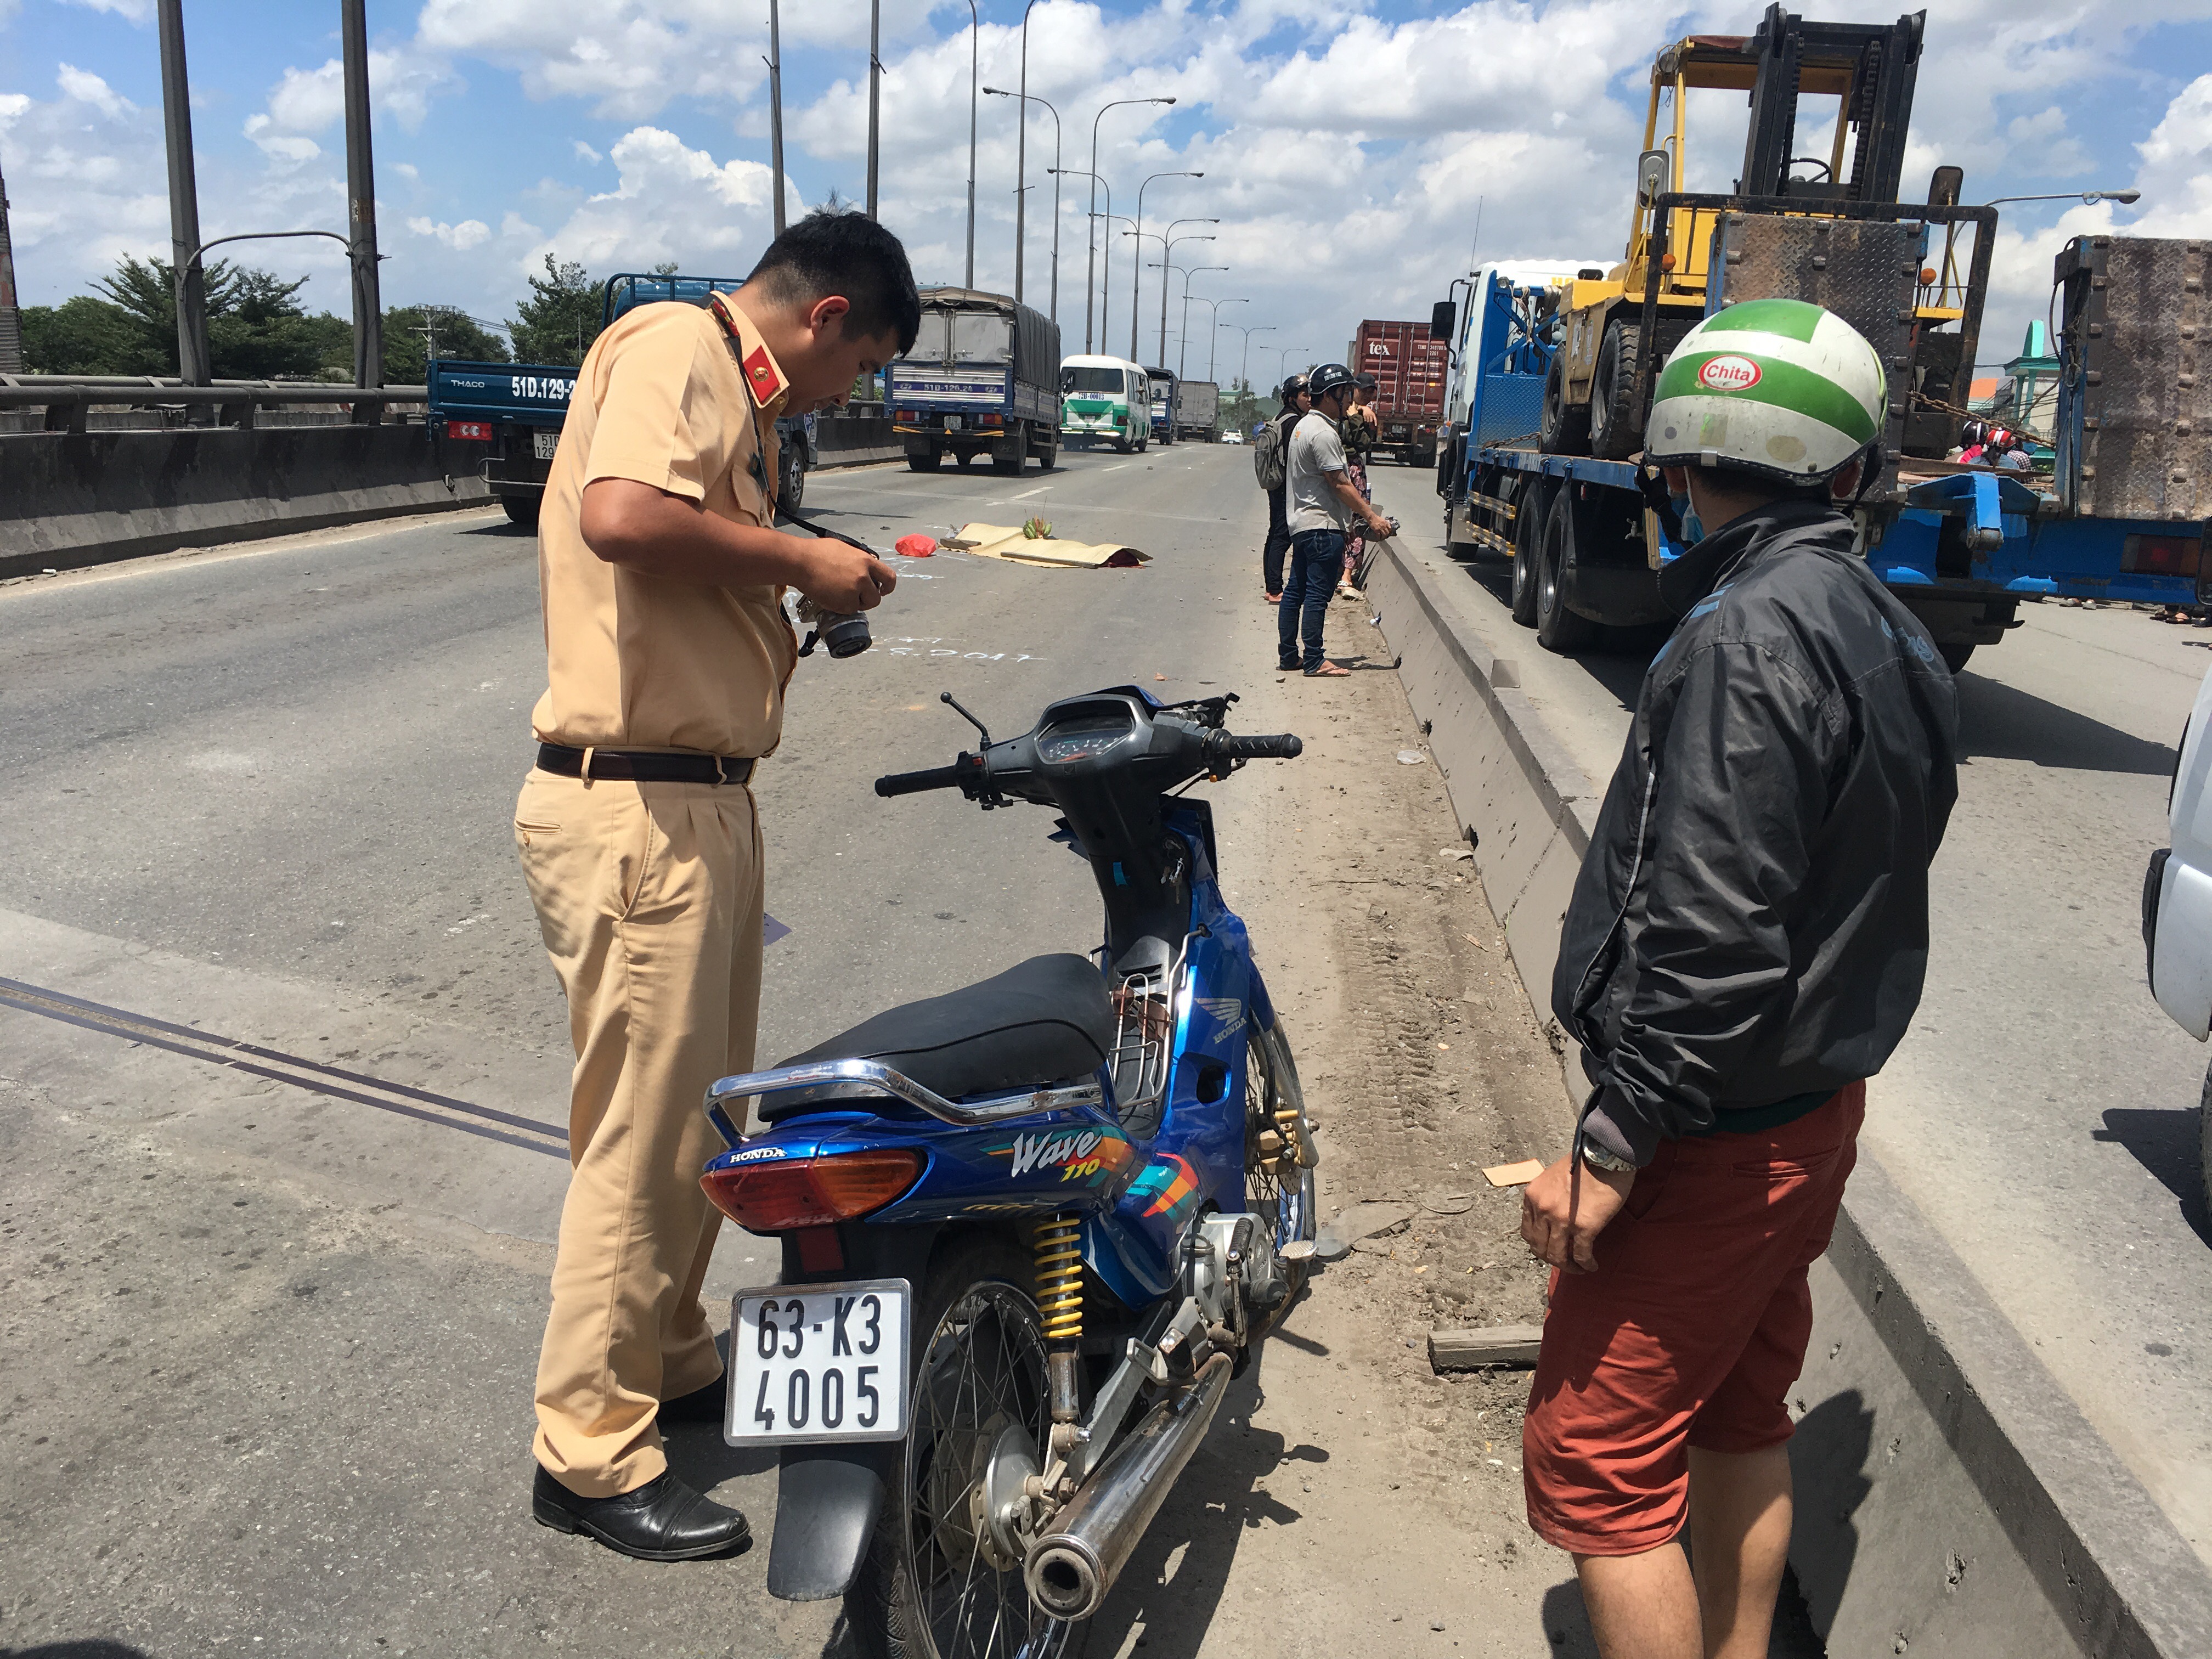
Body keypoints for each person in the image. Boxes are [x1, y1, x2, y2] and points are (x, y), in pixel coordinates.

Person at [1517, 298, 1959, 1659]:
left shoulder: (1745, 639)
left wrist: (1612, 1141)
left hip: (1711, 1133)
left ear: (1680, 459)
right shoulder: (1882, 623)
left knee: (1598, 1468)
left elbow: (1711, 935)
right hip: (1810, 1111)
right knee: (1737, 1413)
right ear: (1847, 468)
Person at [515, 208, 919, 1561]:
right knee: (640, 1144)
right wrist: (803, 557)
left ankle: (673, 1353)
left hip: (696, 802)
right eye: (860, 367)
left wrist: (796, 574)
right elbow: (623, 516)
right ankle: (587, 1449)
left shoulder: (737, 408)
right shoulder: (684, 345)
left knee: (692, 1126)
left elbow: (683, 551)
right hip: (639, 806)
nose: (846, 393)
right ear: (827, 319)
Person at [1279, 362, 1393, 676]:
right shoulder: (1324, 433)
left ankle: (1289, 655)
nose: (1350, 400)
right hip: (1323, 527)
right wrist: (1371, 517)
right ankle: (1315, 659)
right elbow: (1341, 483)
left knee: (1295, 591)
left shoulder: (1304, 426)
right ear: (1332, 395)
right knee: (1317, 594)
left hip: (1302, 524)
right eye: (1346, 393)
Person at [1259, 374, 1310, 602]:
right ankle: (1275, 589)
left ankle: (1272, 586)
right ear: (1292, 398)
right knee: (1282, 537)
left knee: (1275, 535)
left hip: (1276, 484)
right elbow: (1294, 458)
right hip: (1284, 486)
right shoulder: (1293, 422)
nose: (1309, 399)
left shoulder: (1281, 418)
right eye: (1304, 395)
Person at [1338, 373, 1379, 596]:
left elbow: (1362, 443)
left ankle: (1347, 574)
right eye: (1362, 390)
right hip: (1336, 468)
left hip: (1354, 470)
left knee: (1358, 521)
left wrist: (1359, 415)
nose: (1366, 395)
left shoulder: (1367, 415)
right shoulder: (1339, 410)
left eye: (1370, 391)